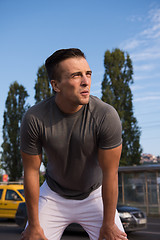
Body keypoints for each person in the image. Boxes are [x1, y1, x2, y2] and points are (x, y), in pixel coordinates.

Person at [20, 48, 128, 240]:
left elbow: (110, 174)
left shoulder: (105, 115)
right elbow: (31, 172)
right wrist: (34, 225)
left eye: (88, 74)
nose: (86, 82)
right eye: (76, 75)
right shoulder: (35, 118)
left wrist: (109, 223)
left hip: (94, 193)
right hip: (53, 194)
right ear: (56, 85)